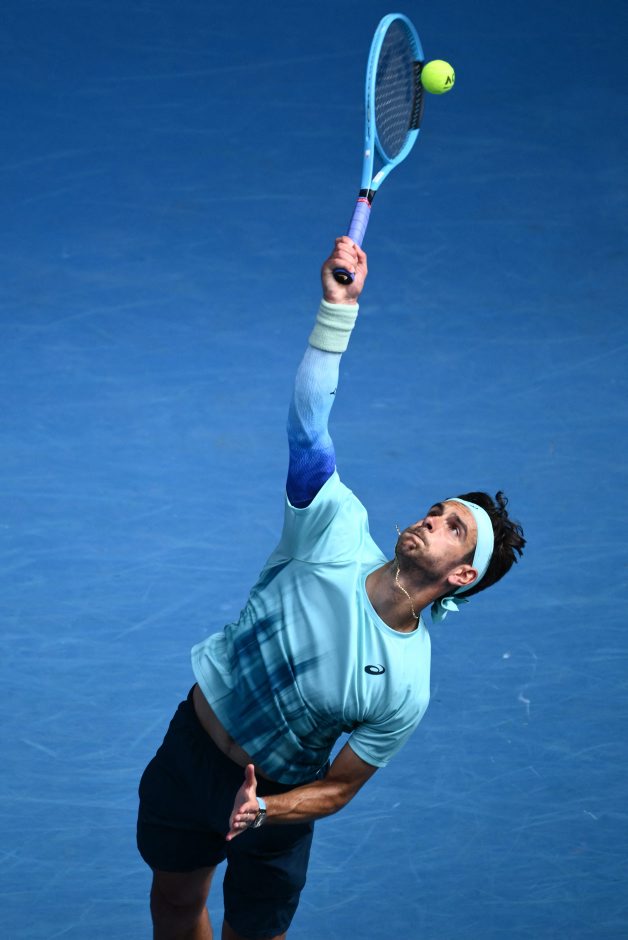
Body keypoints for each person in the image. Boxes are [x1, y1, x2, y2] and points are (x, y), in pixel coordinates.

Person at [137, 237, 525, 940]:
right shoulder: (334, 528)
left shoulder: (406, 684)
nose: (431, 519)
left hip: (276, 800)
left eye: (453, 529)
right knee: (173, 905)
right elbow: (308, 425)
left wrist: (266, 810)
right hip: (192, 747)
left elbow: (340, 787)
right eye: (437, 509)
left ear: (462, 575)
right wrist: (336, 311)